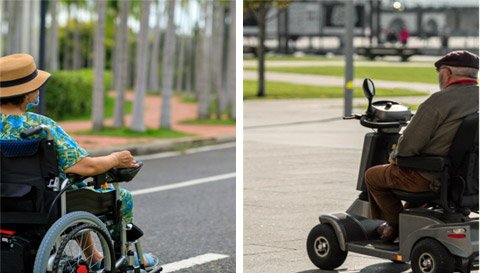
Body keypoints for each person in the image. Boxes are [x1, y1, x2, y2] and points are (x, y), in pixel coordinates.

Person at [0, 54, 159, 270]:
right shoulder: (41, 126)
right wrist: (115, 158)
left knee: (75, 194)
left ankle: (93, 256)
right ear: (27, 93)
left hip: (5, 199)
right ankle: (127, 257)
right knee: (119, 196)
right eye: (36, 85)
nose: (38, 90)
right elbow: (85, 166)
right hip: (43, 203)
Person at [364, 50, 479, 242]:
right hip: (469, 179)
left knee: (374, 176)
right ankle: (407, 220)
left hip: (432, 177)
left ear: (447, 73)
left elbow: (408, 146)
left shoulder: (439, 101)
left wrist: (395, 155)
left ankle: (394, 225)